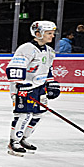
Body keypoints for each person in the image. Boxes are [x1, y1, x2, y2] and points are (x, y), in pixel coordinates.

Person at [7, 20, 59, 155]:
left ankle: (23, 138)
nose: (52, 36)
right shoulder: (26, 49)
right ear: (38, 33)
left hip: (39, 87)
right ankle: (14, 141)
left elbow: (48, 69)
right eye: (49, 33)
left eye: (52, 33)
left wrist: (51, 83)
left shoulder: (50, 51)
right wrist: (21, 86)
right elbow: (15, 68)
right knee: (24, 114)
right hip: (23, 88)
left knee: (38, 113)